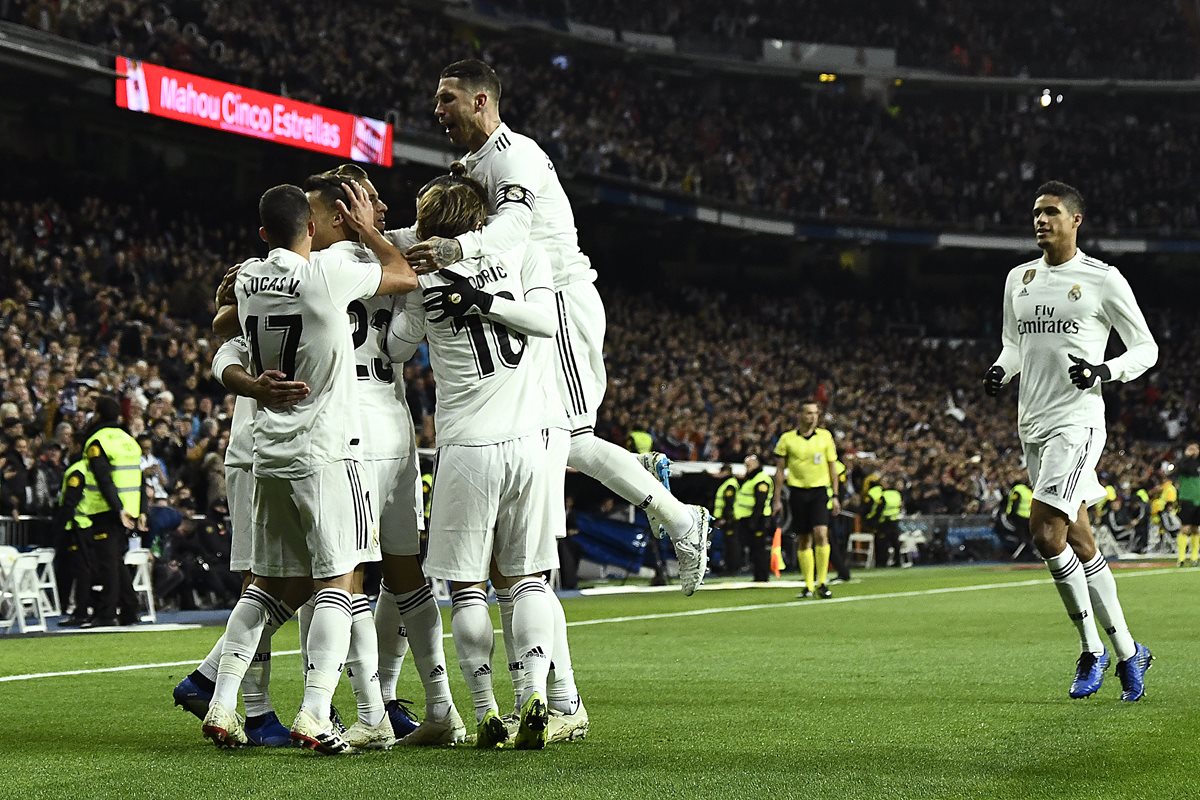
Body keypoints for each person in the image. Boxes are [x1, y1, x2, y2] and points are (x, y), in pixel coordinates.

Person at [404, 59, 711, 596]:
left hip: (559, 301)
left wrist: (458, 248)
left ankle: (683, 520)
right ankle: (645, 478)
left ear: (481, 100)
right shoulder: (473, 164)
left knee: (569, 441)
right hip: (527, 298)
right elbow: (432, 229)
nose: (437, 110)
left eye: (447, 98)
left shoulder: (514, 155)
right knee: (558, 440)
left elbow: (514, 225)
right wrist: (360, 240)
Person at [200, 181, 417, 753]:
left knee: (265, 587)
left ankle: (224, 706)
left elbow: (223, 324)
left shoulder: (247, 277)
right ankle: (316, 712)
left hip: (267, 451)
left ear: (263, 232)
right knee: (339, 586)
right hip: (327, 449)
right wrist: (369, 228)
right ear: (314, 230)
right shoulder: (327, 275)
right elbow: (404, 276)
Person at [388, 169, 563, 750]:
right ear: (482, 221)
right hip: (531, 443)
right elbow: (545, 323)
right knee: (529, 581)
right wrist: (488, 299)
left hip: (468, 447)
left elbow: (396, 346)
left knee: (467, 590)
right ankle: (532, 696)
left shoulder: (422, 275)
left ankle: (486, 709)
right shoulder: (523, 255)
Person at [983, 180, 1157, 701]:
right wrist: (1000, 370)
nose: (1040, 220)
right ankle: (1129, 650)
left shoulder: (1103, 280)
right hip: (1031, 423)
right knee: (1080, 541)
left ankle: (1091, 650)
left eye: (1051, 212)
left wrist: (1104, 369)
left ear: (1075, 220)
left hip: (1077, 423)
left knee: (1044, 533)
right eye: (1036, 212)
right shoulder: (1020, 278)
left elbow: (1145, 348)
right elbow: (1013, 344)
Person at [306, 165, 461, 748]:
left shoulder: (311, 264)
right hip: (391, 419)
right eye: (369, 199)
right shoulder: (385, 249)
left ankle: (364, 710)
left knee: (341, 571)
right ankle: (440, 706)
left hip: (350, 422)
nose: (383, 208)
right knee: (403, 571)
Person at [171, 334, 308, 748]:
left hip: (291, 451)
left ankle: (207, 678)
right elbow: (224, 346)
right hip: (261, 452)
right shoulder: (292, 289)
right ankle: (257, 711)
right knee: (264, 581)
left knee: (306, 579)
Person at [76, 394, 144, 628]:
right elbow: (139, 477)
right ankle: (130, 609)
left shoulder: (98, 441)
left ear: (98, 414)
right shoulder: (128, 440)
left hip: (107, 509)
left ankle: (107, 613)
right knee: (116, 561)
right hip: (129, 509)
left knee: (107, 564)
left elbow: (104, 479)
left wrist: (117, 509)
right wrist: (141, 510)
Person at [772, 401, 839, 599]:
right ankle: (808, 585)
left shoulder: (825, 437)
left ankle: (822, 582)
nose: (813, 417)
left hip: (819, 491)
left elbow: (832, 467)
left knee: (821, 533)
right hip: (798, 491)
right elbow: (779, 471)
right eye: (809, 413)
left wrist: (835, 495)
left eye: (816, 413)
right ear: (800, 415)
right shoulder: (787, 439)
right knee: (803, 538)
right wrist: (776, 499)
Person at [51, 454, 94, 626]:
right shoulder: (94, 469)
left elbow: (70, 502)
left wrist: (57, 530)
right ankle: (86, 607)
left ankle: (81, 610)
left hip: (78, 526)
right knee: (88, 569)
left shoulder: (78, 470)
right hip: (92, 523)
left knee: (81, 571)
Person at [732, 454, 773, 582]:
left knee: (759, 548)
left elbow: (760, 502)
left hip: (758, 519)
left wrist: (754, 521)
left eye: (749, 465)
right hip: (748, 518)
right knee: (754, 548)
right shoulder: (751, 479)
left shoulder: (761, 480)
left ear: (757, 464)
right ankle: (758, 575)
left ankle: (762, 576)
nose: (747, 468)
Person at [712, 464, 740, 574]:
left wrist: (724, 518)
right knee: (729, 544)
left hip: (730, 520)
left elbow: (729, 503)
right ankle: (730, 567)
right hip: (729, 519)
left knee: (731, 545)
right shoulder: (728, 484)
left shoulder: (730, 485)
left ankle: (732, 568)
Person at [1175, 442, 1200, 566]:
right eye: (1190, 448)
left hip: (1199, 500)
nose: (1193, 450)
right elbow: (1178, 467)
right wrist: (1186, 456)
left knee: (1196, 529)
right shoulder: (1184, 463)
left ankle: (1194, 558)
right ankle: (1181, 558)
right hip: (1187, 499)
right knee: (1185, 528)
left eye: (1195, 448)